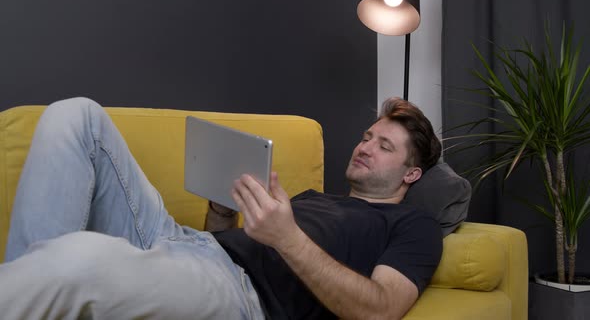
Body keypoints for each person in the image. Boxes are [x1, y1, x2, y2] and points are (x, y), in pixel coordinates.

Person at [2, 96, 443, 320]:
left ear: (411, 174)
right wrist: (222, 208)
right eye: (367, 136)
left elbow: (382, 309)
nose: (365, 147)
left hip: (241, 295)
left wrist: (287, 238)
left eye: (384, 146)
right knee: (77, 116)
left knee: (79, 259)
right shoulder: (313, 199)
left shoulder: (413, 225)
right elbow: (221, 239)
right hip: (186, 245)